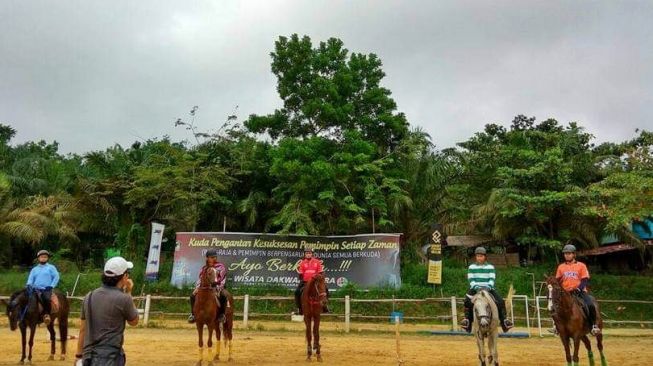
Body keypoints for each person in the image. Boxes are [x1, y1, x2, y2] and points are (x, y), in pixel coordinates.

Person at [75, 256, 138, 366]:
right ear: (124, 277)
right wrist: (128, 292)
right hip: (111, 357)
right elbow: (134, 321)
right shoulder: (124, 298)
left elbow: (83, 329)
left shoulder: (89, 296)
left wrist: (79, 356)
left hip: (88, 357)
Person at [549, 244, 601, 336]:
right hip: (565, 293)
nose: (567, 255)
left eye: (569, 253)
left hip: (579, 292)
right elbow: (558, 281)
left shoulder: (581, 266)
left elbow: (585, 279)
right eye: (565, 254)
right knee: (554, 307)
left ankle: (593, 325)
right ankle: (556, 327)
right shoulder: (561, 267)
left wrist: (578, 288)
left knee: (590, 304)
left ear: (574, 254)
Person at [460, 247, 513, 333]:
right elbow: (471, 279)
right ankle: (467, 321)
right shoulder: (471, 267)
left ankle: (504, 321)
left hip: (488, 288)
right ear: (475, 257)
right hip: (475, 288)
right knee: (467, 301)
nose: (479, 258)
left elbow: (492, 279)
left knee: (500, 301)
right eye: (477, 256)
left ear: (485, 257)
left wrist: (488, 287)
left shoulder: (490, 267)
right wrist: (477, 287)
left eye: (481, 256)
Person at [187, 249, 228, 323]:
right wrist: (197, 287)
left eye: (215, 257)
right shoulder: (204, 268)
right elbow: (200, 278)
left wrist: (218, 288)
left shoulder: (220, 266)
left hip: (218, 286)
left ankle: (222, 315)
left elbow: (223, 278)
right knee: (192, 296)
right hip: (206, 288)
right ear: (207, 258)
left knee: (224, 295)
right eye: (212, 257)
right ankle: (193, 314)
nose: (214, 258)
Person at [26, 249, 60, 325]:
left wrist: (51, 286)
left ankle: (46, 314)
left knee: (47, 299)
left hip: (46, 289)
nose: (43, 258)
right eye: (42, 257)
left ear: (47, 258)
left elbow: (56, 277)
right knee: (26, 298)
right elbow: (30, 279)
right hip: (35, 289)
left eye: (45, 257)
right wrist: (29, 284)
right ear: (38, 258)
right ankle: (25, 315)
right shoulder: (34, 269)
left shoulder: (51, 267)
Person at [294, 247, 328, 315]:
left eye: (309, 253)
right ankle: (299, 308)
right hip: (305, 282)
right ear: (305, 254)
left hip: (315, 282)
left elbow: (320, 273)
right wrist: (301, 275)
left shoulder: (317, 262)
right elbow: (301, 274)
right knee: (297, 292)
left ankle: (325, 306)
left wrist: (317, 278)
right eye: (307, 253)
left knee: (326, 289)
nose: (308, 254)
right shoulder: (302, 263)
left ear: (312, 254)